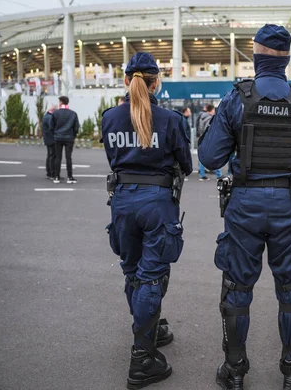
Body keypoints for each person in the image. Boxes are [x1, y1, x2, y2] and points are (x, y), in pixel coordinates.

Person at [198, 24, 291, 389]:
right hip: (289, 204)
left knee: (237, 288)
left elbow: (210, 157)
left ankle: (234, 371)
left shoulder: (236, 98)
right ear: (286, 58)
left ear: (256, 55)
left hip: (244, 203)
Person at [102, 52, 192, 389]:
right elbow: (186, 163)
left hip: (122, 201)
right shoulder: (169, 119)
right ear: (156, 82)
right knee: (151, 278)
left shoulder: (109, 117)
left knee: (132, 271)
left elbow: (114, 159)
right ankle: (142, 358)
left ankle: (149, 329)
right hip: (157, 203)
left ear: (127, 81)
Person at [50, 96, 80, 184]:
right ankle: (70, 177)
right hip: (69, 138)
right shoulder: (73, 113)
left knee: (58, 157)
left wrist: (55, 134)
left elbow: (51, 126)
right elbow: (76, 127)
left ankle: (56, 176)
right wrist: (73, 135)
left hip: (58, 137)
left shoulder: (55, 113)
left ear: (61, 102)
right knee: (68, 157)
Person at [197, 104, 222, 181]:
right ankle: (219, 174)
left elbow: (200, 128)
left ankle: (202, 174)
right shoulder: (209, 118)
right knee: (214, 155)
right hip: (209, 140)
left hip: (203, 139)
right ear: (211, 110)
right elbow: (210, 130)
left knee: (203, 157)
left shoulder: (202, 117)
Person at [42, 105, 57, 179]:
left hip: (48, 139)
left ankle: (49, 172)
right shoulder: (49, 117)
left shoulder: (47, 116)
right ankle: (52, 173)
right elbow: (53, 127)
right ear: (53, 110)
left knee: (50, 156)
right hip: (51, 139)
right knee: (52, 156)